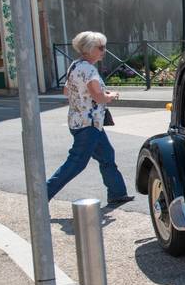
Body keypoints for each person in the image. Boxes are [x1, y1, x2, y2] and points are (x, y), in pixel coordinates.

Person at [46, 31, 133, 205]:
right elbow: (99, 98)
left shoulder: (75, 65)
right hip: (89, 124)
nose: (104, 50)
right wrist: (112, 95)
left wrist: (87, 96)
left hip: (81, 120)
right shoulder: (88, 69)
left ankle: (117, 193)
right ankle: (41, 194)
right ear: (89, 49)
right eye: (100, 47)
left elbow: (66, 91)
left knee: (107, 155)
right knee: (76, 163)